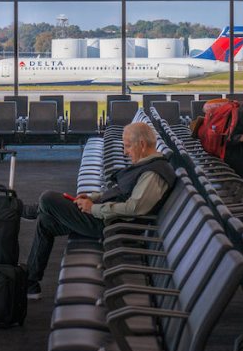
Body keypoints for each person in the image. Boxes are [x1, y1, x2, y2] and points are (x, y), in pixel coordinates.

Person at [22, 122, 176, 300]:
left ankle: (26, 210)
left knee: (48, 198)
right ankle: (31, 284)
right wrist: (93, 198)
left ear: (141, 144)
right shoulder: (148, 165)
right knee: (45, 221)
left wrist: (93, 208)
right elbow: (120, 192)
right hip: (106, 216)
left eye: (127, 146)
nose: (125, 152)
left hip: (110, 224)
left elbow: (134, 208)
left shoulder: (154, 173)